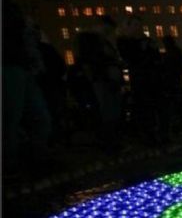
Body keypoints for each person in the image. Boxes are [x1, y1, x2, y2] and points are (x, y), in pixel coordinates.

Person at [2, 0, 52, 173]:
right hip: (10, 66)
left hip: (23, 67)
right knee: (11, 119)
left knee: (40, 116)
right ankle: (11, 162)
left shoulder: (11, 8)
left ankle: (37, 157)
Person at [77, 15, 125, 150]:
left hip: (110, 81)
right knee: (107, 111)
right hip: (102, 80)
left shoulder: (104, 41)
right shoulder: (89, 40)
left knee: (113, 111)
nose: (108, 33)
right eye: (107, 29)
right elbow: (88, 61)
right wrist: (93, 78)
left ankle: (113, 141)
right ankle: (109, 143)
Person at [118, 15, 164, 144]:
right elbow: (132, 59)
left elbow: (156, 56)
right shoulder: (125, 42)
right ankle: (146, 134)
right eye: (135, 26)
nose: (139, 29)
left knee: (154, 106)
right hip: (140, 80)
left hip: (152, 79)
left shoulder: (146, 41)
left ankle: (155, 132)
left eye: (140, 26)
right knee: (143, 107)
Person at [37, 30, 68, 146]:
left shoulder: (41, 50)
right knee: (53, 114)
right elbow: (61, 66)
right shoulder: (47, 49)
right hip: (52, 86)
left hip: (47, 86)